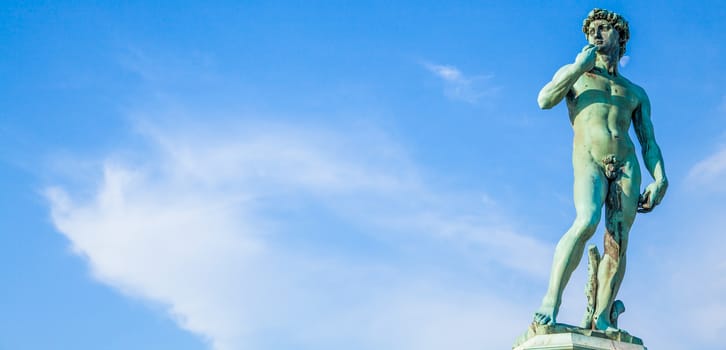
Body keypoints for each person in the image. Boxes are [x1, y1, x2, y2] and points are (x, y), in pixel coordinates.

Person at [533, 8, 668, 331]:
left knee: (618, 241)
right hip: (590, 158)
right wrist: (577, 67)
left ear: (620, 37)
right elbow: (544, 100)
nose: (596, 34)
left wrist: (660, 178)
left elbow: (648, 140)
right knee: (586, 221)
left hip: (626, 163)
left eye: (604, 28)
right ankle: (551, 301)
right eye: (592, 29)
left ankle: (603, 314)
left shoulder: (634, 92)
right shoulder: (577, 75)